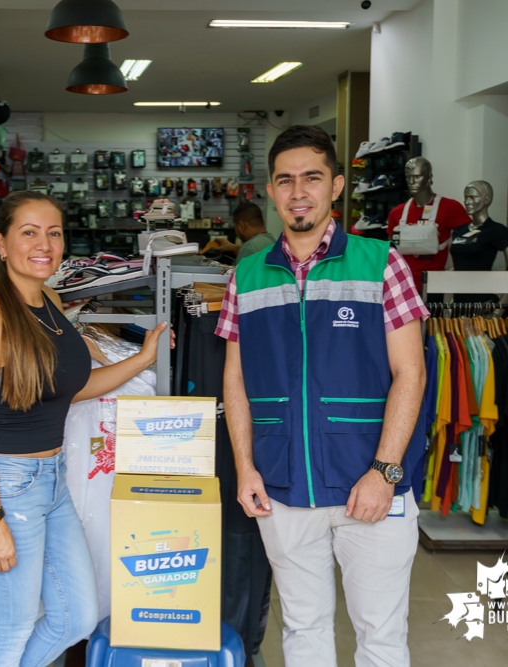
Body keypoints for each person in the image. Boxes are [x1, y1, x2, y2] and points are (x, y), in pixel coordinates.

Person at [217, 125, 429, 667]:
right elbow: (236, 381)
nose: (298, 192)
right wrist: (245, 468)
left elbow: (412, 374)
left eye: (312, 178)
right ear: (270, 190)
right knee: (303, 629)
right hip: (283, 487)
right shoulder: (246, 276)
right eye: (285, 181)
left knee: (381, 636)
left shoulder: (382, 263)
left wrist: (384, 473)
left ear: (336, 186)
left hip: (370, 487)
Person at [0, 190, 170, 667]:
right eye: (28, 232)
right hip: (6, 485)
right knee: (12, 628)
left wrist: (141, 360)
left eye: (53, 233)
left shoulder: (49, 301)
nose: (44, 244)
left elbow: (73, 389)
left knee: (77, 618)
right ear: (1, 244)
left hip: (52, 482)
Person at [385, 156, 470, 294]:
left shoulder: (450, 208)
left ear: (429, 177)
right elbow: (390, 254)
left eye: (417, 176)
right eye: (408, 177)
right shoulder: (397, 213)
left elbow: (471, 246)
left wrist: (454, 274)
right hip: (403, 286)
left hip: (436, 287)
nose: (412, 182)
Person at [202, 201, 276, 265]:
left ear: (241, 226)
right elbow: (257, 250)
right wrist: (232, 247)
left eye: (235, 227)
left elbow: (237, 279)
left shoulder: (249, 247)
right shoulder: (272, 241)